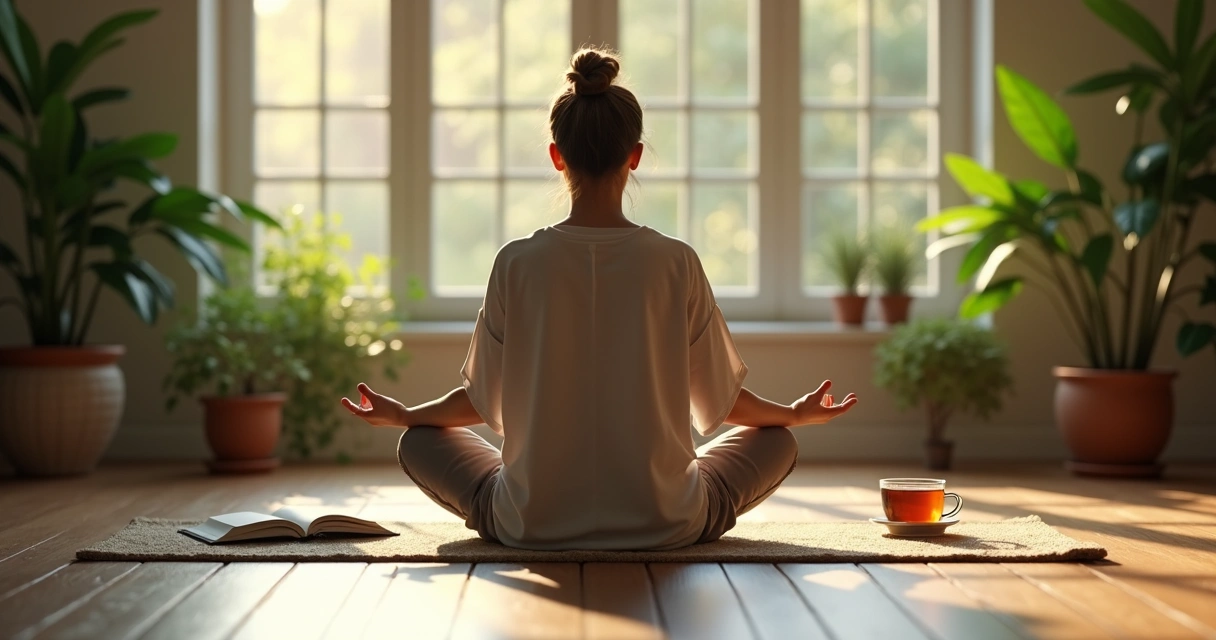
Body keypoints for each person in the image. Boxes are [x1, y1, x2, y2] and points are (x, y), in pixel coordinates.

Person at [341, 47, 858, 551]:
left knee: (419, 440)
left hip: (530, 524)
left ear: (556, 156)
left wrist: (404, 415)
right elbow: (721, 402)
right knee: (777, 439)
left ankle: (523, 505)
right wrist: (793, 414)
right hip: (668, 522)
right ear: (635, 156)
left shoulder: (516, 262)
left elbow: (479, 402)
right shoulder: (676, 261)